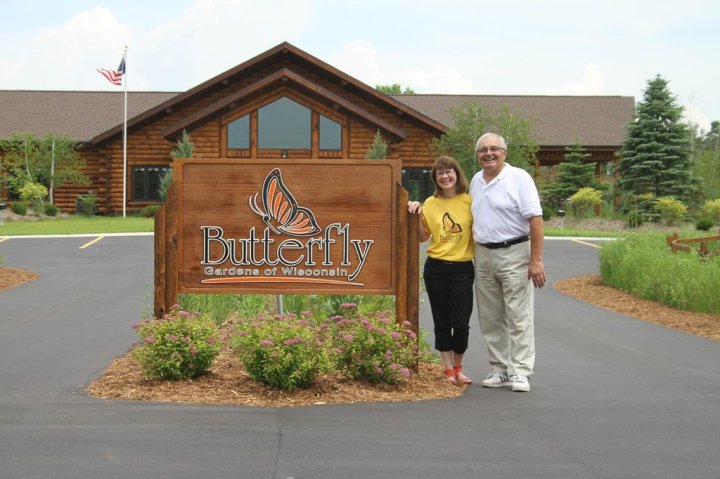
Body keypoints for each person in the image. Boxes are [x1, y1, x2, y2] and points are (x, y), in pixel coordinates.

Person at [469, 133, 546, 392]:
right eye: (483, 150)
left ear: (504, 152)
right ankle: (499, 369)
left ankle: (521, 371)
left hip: (515, 252)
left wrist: (535, 260)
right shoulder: (476, 181)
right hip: (484, 255)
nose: (488, 153)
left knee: (518, 315)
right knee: (490, 316)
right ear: (477, 154)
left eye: (494, 149)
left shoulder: (519, 178)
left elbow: (536, 219)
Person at [408, 156, 475, 385]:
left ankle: (459, 367)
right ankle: (449, 370)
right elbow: (421, 237)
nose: (445, 176)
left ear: (457, 174)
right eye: (440, 174)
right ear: (436, 179)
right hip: (436, 268)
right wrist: (416, 214)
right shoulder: (430, 204)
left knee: (461, 323)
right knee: (442, 321)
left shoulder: (470, 202)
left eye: (449, 172)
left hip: (463, 268)